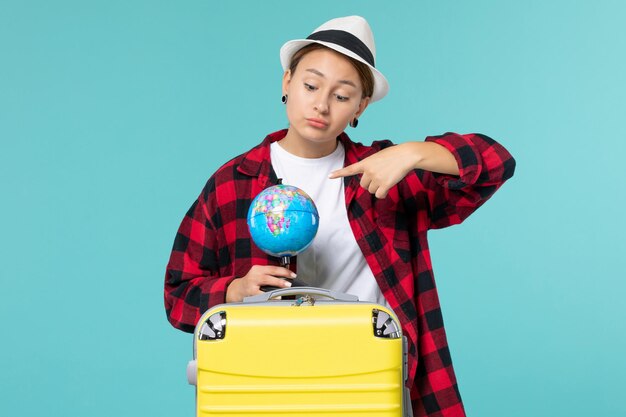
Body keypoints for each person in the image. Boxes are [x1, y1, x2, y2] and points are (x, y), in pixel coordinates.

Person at [164, 15, 515, 416]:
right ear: (286, 83)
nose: (321, 104)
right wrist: (234, 291)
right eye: (310, 86)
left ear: (360, 106)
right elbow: (178, 292)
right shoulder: (233, 183)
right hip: (270, 384)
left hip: (369, 383)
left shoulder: (385, 174)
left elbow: (495, 162)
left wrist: (412, 152)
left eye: (342, 95)